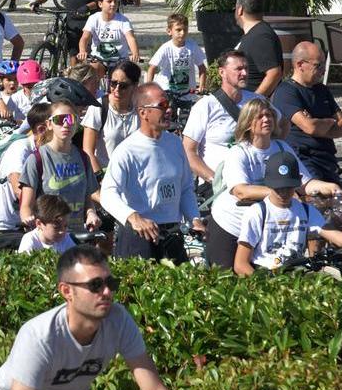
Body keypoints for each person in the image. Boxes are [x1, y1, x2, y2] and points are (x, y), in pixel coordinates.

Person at [0, 246, 212, 390]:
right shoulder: (40, 337)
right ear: (66, 291)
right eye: (95, 285)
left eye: (110, 283)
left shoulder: (118, 321)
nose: (107, 292)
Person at [206, 97, 341, 270]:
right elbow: (241, 191)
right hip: (231, 223)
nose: (267, 119)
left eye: (269, 115)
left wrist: (328, 186)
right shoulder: (238, 153)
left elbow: (303, 183)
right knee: (225, 277)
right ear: (248, 123)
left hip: (263, 226)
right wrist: (282, 191)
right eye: (260, 116)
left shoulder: (282, 147)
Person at [234, 151, 342, 276]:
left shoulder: (305, 210)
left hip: (296, 272)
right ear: (267, 183)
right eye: (278, 187)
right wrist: (265, 285)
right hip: (266, 273)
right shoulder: (258, 212)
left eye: (288, 186)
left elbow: (338, 238)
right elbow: (240, 264)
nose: (283, 192)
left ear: (299, 182)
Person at [99, 83, 204, 261]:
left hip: (172, 235)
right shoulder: (127, 150)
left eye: (168, 103)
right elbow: (107, 194)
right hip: (138, 235)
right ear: (143, 113)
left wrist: (195, 219)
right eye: (162, 105)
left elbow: (186, 188)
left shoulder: (175, 143)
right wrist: (134, 218)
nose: (169, 109)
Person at [181, 50, 282, 184]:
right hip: (219, 186)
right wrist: (216, 180)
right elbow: (188, 151)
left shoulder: (257, 101)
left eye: (246, 68)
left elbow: (283, 123)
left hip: (258, 181)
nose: (244, 73)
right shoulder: (205, 106)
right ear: (222, 72)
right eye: (239, 69)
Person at [270, 41, 342, 185]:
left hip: (327, 158)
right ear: (300, 65)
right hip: (305, 159)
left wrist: (317, 125)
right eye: (318, 66)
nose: (323, 71)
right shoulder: (286, 91)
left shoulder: (322, 90)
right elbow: (309, 127)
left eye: (324, 66)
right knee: (319, 198)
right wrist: (330, 122)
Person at [18, 99, 100, 234]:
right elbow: (26, 206)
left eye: (71, 118)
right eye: (60, 119)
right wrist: (28, 221)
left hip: (77, 237)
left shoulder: (83, 158)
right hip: (49, 240)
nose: (66, 124)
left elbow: (87, 199)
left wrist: (91, 213)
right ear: (49, 124)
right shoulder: (37, 159)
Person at [0, 105, 53, 245]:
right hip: (4, 227)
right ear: (42, 129)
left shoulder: (46, 150)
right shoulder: (21, 149)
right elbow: (18, 189)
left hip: (26, 223)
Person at [81, 60, 141, 174]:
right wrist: (99, 178)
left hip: (136, 175)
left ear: (135, 86)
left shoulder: (140, 109)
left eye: (123, 86)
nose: (117, 89)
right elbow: (88, 150)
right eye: (113, 83)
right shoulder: (98, 107)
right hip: (106, 174)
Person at [77, 0, 138, 75]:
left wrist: (135, 53)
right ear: (100, 4)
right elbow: (85, 37)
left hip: (119, 60)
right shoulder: (93, 18)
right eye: (109, 1)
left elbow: (131, 38)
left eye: (115, 1)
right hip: (98, 59)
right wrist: (82, 51)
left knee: (121, 77)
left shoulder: (123, 20)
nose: (113, 4)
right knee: (92, 72)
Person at [234, 0, 282, 96]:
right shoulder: (254, 34)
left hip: (255, 110)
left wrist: (254, 101)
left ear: (240, 10)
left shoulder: (260, 36)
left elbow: (274, 73)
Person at [146, 14, 206, 94]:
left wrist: (202, 85)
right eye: (178, 30)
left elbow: (202, 67)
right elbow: (152, 68)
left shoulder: (192, 46)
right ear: (169, 31)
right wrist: (149, 88)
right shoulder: (165, 48)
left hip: (187, 92)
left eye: (185, 29)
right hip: (167, 90)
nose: (182, 33)